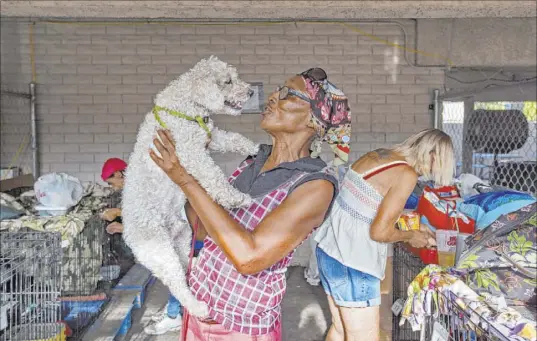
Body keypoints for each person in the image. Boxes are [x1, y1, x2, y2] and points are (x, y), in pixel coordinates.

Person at [149, 67, 351, 340]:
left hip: (239, 325)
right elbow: (203, 228)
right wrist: (192, 165)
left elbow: (250, 258)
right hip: (200, 306)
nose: (271, 97)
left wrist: (186, 180)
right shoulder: (252, 161)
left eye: (287, 94)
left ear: (315, 120)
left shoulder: (315, 184)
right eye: (277, 91)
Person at [314, 129, 455, 341]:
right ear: (433, 156)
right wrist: (411, 236)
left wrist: (410, 227)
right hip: (354, 262)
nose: (433, 173)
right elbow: (379, 232)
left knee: (341, 329)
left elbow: (365, 208)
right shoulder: (406, 174)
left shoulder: (381, 156)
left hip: (329, 250)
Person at [100, 157, 192, 335]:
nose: (114, 188)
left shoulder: (139, 187)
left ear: (119, 174)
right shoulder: (140, 183)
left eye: (112, 183)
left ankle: (174, 317)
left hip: (180, 227)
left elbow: (152, 223)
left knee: (174, 272)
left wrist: (120, 222)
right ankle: (174, 310)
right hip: (176, 225)